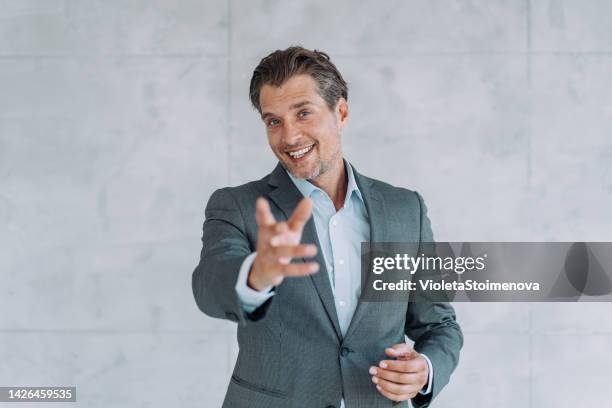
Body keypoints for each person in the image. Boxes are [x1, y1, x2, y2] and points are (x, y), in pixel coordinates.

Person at [192, 46, 463, 408]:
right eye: (274, 121)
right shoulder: (239, 206)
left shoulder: (405, 210)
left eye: (303, 113)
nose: (289, 137)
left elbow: (438, 323)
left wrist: (426, 370)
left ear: (341, 111)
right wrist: (256, 275)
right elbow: (211, 283)